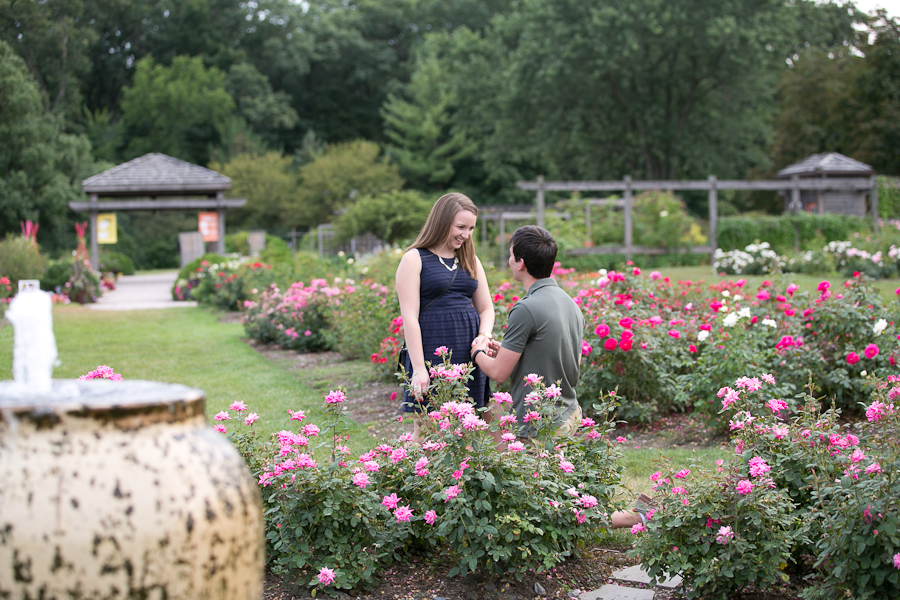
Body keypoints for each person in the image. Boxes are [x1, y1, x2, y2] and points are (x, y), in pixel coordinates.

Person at [470, 225, 583, 440]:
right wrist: (508, 354)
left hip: (539, 424)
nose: (508, 261)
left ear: (521, 263)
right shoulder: (571, 304)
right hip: (569, 413)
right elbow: (567, 365)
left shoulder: (526, 308)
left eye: (511, 255)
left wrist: (478, 352)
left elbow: (498, 374)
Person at [395, 193, 494, 437]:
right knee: (428, 429)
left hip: (468, 351)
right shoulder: (414, 259)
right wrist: (419, 368)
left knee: (472, 423)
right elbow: (409, 317)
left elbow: (486, 308)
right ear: (442, 221)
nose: (466, 234)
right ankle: (422, 474)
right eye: (460, 227)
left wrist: (484, 336)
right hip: (431, 352)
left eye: (471, 228)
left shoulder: (470, 259)